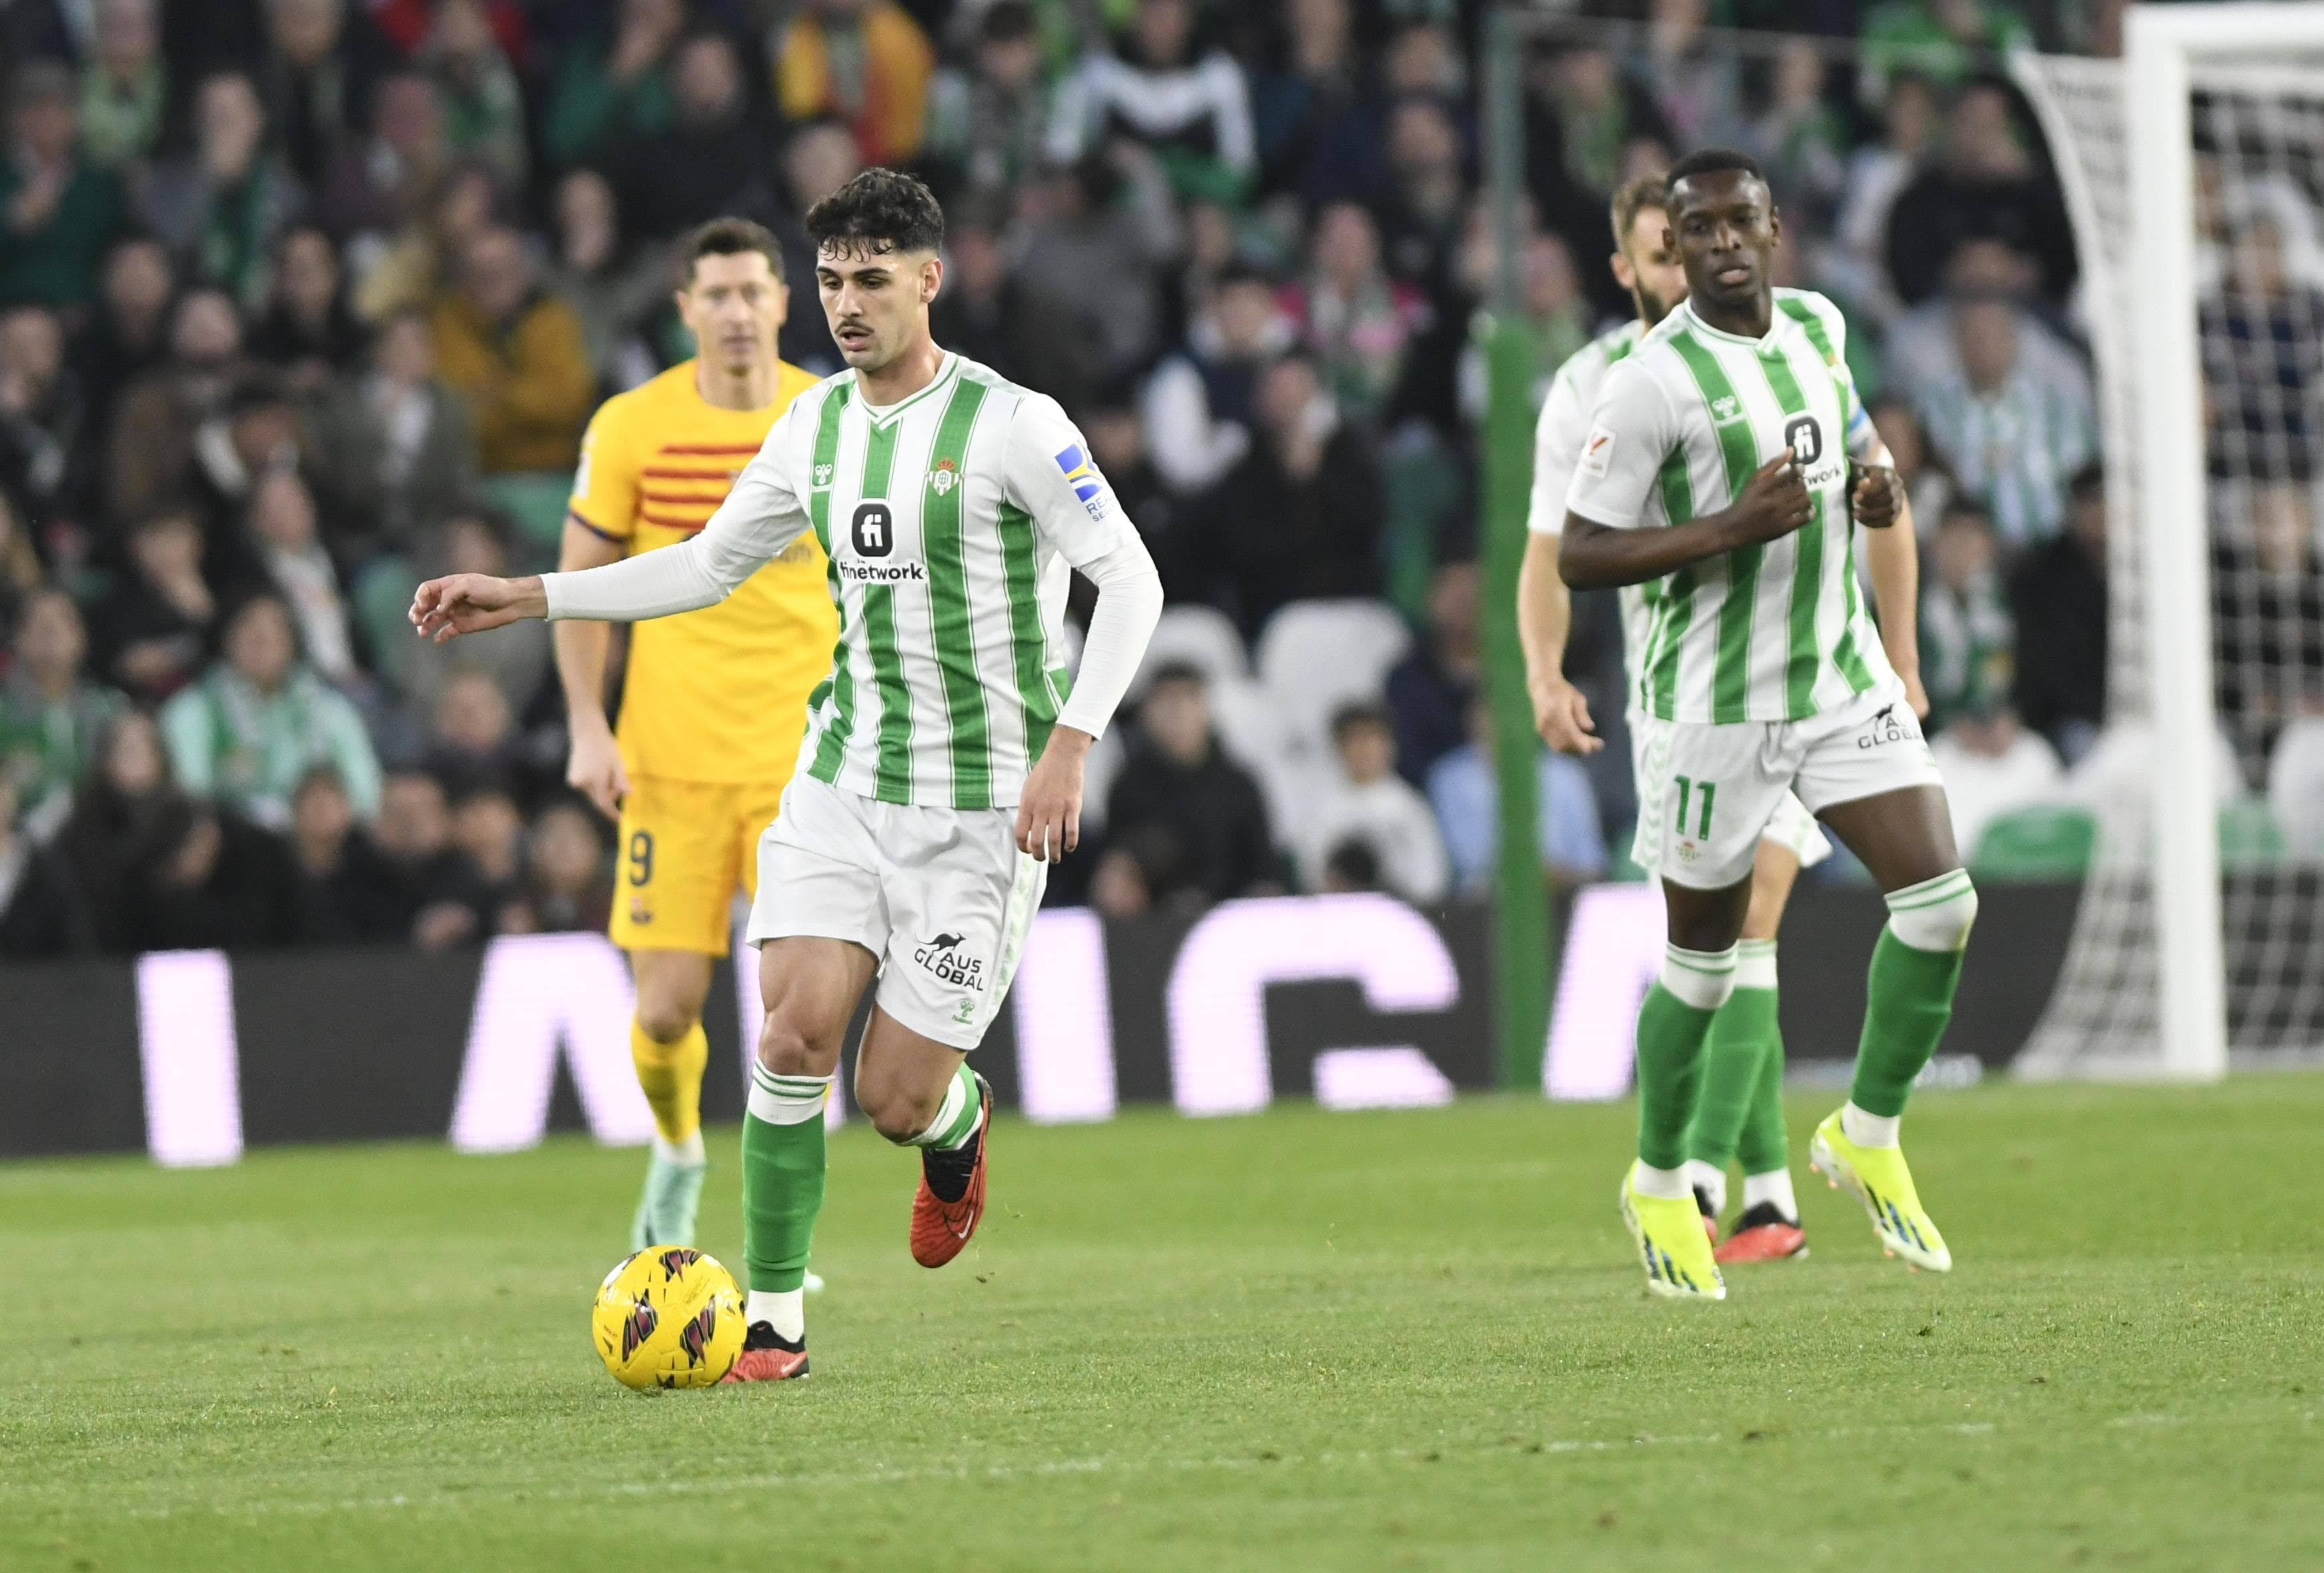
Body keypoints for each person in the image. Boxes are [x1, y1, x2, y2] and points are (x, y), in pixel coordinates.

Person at [410, 167, 1164, 1381]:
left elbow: (1130, 579)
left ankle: (956, 1127)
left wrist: (1070, 743)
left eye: (871, 279)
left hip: (983, 808)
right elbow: (706, 565)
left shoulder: (1015, 426)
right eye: (829, 280)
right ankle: (770, 1323)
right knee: (792, 1034)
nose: (846, 304)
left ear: (929, 280)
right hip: (841, 781)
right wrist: (531, 595)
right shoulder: (812, 428)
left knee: (893, 1099)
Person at [1555, 149, 1975, 1299]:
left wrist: (1878, 491)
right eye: (1697, 230)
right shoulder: (1649, 383)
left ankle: (1866, 1134)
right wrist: (1724, 530)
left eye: (1739, 222)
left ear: (1774, 227)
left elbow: (1858, 455)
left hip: (1838, 682)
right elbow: (1582, 553)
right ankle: (1658, 1182)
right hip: (1712, 711)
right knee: (1702, 967)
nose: (1722, 243)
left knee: (1941, 905)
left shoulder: (1821, 328)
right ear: (1673, 249)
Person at [527, 217, 836, 1253]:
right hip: (671, 763)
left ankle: (780, 1249)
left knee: (796, 1020)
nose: (737, 313)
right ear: (685, 309)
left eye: (753, 293)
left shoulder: (832, 417)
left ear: (782, 303)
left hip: (806, 771)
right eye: (716, 296)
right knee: (664, 1012)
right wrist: (587, 724)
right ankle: (675, 1149)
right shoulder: (633, 427)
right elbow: (580, 588)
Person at [157, 590, 382, 829]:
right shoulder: (191, 711)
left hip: (319, 837)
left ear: (292, 641)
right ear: (227, 639)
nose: (264, 640)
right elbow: (192, 794)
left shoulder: (329, 708)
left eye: (276, 631)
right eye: (252, 632)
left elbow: (365, 793)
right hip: (233, 838)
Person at [1101, 662, 1275, 907]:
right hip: (1152, 919)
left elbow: (1263, 870)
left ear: (1206, 710)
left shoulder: (1238, 785)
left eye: (1189, 699)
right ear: (1147, 712)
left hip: (1230, 916)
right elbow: (1117, 867)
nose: (1179, 713)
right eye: (1167, 701)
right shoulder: (1128, 786)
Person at [427, 225, 594, 476]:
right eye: (482, 274)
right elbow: (459, 418)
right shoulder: (447, 326)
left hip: (551, 474)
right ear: (463, 279)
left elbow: (568, 404)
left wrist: (499, 394)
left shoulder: (553, 322)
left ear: (523, 273)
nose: (494, 283)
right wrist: (527, 404)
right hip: (473, 474)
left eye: (503, 270)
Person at [0, 587, 127, 836]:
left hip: (99, 841)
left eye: (62, 622)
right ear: (18, 639)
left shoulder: (112, 709)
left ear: (82, 638)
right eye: (38, 623)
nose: (51, 631)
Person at [1299, 703, 1448, 903]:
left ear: (1389, 744)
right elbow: (1313, 875)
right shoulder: (1323, 809)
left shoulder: (1409, 806)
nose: (1363, 748)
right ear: (1338, 748)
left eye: (1371, 738)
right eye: (1353, 739)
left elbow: (1431, 878)